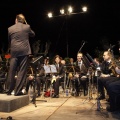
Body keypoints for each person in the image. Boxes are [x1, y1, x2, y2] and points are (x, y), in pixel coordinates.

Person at [6, 13, 35, 96]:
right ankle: (18, 91)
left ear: (16, 20)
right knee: (21, 71)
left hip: (14, 52)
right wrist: (26, 24)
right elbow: (33, 34)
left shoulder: (10, 29)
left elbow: (9, 40)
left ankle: (9, 90)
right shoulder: (27, 27)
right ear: (23, 20)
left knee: (12, 71)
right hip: (24, 52)